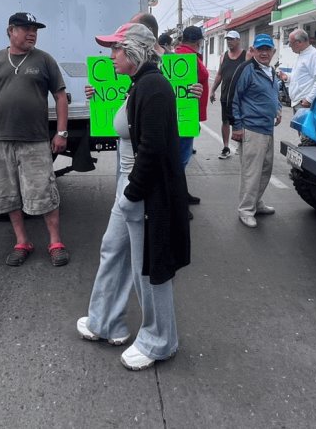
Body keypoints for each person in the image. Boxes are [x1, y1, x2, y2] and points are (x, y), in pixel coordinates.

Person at [77, 23, 191, 371]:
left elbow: (153, 150)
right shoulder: (138, 84)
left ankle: (160, 341)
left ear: (136, 51)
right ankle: (105, 321)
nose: (111, 56)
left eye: (116, 49)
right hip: (130, 185)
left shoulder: (153, 87)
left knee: (149, 268)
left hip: (144, 189)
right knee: (112, 249)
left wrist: (132, 193)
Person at [0, 12, 71, 267]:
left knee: (44, 192)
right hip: (0, 140)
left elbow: (60, 97)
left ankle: (56, 242)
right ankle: (22, 241)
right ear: (10, 31)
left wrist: (61, 132)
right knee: (9, 193)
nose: (32, 33)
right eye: (26, 28)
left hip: (36, 141)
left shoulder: (45, 60)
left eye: (35, 29)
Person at [229, 34, 282, 228]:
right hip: (251, 129)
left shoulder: (271, 71)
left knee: (265, 170)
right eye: (260, 49)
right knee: (252, 172)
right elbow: (233, 97)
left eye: (268, 49)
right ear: (253, 50)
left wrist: (277, 110)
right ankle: (245, 210)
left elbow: (273, 94)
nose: (264, 53)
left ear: (273, 52)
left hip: (268, 128)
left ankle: (256, 203)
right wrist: (236, 126)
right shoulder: (247, 69)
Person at [174, 25, 209, 203]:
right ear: (198, 41)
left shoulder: (178, 53)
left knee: (181, 157)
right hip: (185, 115)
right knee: (181, 158)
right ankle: (177, 199)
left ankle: (181, 194)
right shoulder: (188, 57)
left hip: (184, 114)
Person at [280, 28, 316, 144]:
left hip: (305, 104)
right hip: (298, 102)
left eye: (291, 44)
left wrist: (309, 99)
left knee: (308, 138)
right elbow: (301, 77)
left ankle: (307, 160)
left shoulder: (314, 55)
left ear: (299, 43)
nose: (290, 47)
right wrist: (288, 77)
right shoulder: (302, 55)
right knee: (302, 135)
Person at [210, 30, 246, 159]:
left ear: (238, 40)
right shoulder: (223, 56)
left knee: (241, 121)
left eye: (232, 39)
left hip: (241, 98)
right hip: (225, 95)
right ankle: (226, 147)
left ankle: (242, 146)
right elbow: (219, 75)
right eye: (227, 39)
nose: (229, 41)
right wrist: (212, 90)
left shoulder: (246, 56)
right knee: (225, 121)